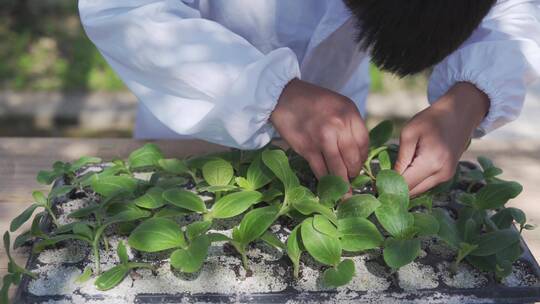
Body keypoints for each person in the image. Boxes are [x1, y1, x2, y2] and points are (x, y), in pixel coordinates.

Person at [78, 0, 540, 196]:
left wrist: (469, 96)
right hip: (194, 115)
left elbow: (512, 10)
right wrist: (268, 91)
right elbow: (126, 9)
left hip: (336, 126)